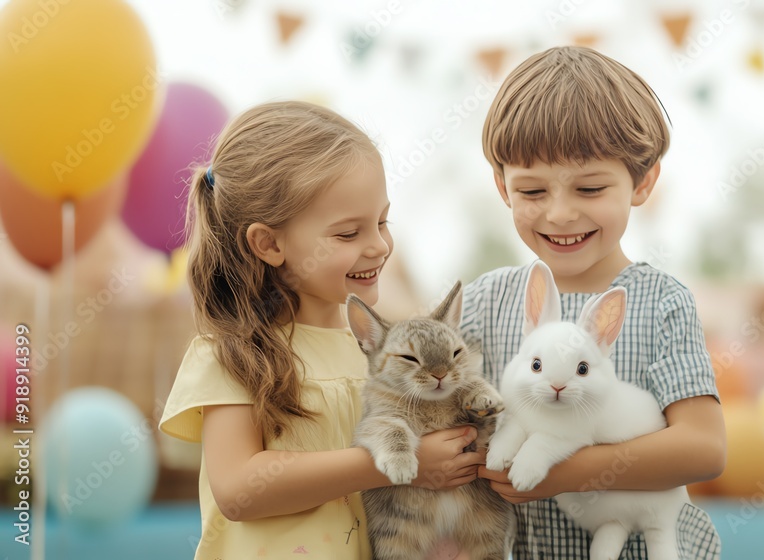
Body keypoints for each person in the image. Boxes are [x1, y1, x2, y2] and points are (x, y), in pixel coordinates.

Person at [158, 101, 483, 560]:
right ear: (268, 243)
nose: (378, 246)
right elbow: (237, 489)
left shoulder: (381, 357)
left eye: (382, 222)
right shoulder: (232, 354)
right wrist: (390, 465)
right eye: (348, 234)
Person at [465, 46, 725, 559]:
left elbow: (703, 448)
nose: (560, 214)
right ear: (502, 188)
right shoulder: (483, 301)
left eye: (589, 188)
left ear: (642, 182)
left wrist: (559, 471)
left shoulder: (661, 302)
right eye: (533, 191)